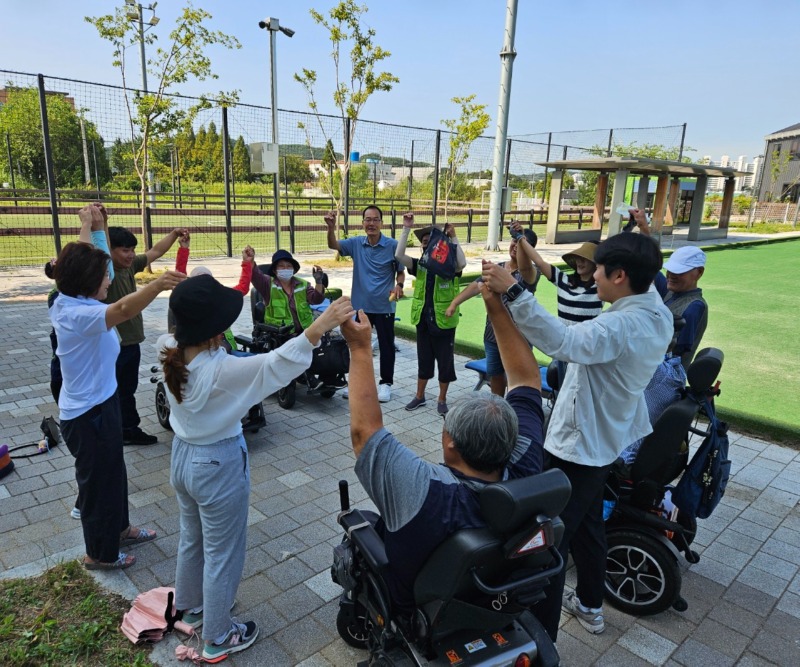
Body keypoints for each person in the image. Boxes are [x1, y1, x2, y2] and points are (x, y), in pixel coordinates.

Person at [481, 232, 673, 641]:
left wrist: (513, 290)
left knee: (548, 542)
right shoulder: (655, 309)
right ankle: (589, 605)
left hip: (580, 446)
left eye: (599, 270)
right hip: (603, 437)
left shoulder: (623, 323)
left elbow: (563, 341)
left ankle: (540, 637)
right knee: (586, 527)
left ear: (620, 275)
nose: (592, 278)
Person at [159, 275, 354, 662]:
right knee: (222, 551)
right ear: (212, 328)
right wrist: (321, 325)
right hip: (217, 464)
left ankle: (192, 606)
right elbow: (276, 364)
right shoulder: (222, 371)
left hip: (183, 458)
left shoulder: (167, 347)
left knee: (192, 537)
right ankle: (217, 635)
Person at [339, 282, 545, 612]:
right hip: (489, 595)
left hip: (417, 605)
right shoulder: (526, 463)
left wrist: (360, 349)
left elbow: (365, 433)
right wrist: (495, 307)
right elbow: (526, 380)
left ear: (449, 443)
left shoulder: (424, 489)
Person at [50, 205, 185, 571]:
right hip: (86, 416)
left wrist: (92, 226)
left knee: (114, 473)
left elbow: (82, 262)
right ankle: (100, 553)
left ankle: (121, 528)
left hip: (102, 403)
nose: (109, 278)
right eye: (103, 276)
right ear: (88, 282)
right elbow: (124, 310)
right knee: (96, 486)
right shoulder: (77, 313)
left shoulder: (75, 294)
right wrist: (157, 284)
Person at [106, 223, 188, 445]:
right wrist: (98, 224)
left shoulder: (128, 267)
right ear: (109, 249)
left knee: (126, 389)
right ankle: (126, 430)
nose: (131, 255)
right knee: (121, 390)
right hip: (117, 345)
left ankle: (123, 429)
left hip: (131, 342)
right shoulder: (107, 272)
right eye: (125, 250)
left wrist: (173, 234)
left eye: (132, 250)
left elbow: (154, 252)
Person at [445, 221, 539, 396]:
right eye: (513, 242)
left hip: (519, 337)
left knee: (517, 378)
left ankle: (514, 411)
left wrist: (520, 238)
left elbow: (526, 267)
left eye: (521, 245)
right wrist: (455, 303)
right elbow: (476, 285)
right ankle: (498, 408)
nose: (515, 247)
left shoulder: (531, 273)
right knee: (495, 375)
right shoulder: (498, 268)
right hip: (492, 335)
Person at [326, 206, 404, 402]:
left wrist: (399, 285)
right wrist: (330, 227)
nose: (371, 223)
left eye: (375, 219)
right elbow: (333, 245)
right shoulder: (355, 244)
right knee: (359, 345)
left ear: (381, 223)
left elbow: (400, 271)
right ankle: (357, 383)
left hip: (385, 306)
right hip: (360, 307)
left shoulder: (393, 245)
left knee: (386, 347)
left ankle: (385, 384)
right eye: (367, 219)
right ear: (362, 223)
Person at [395, 214, 466, 415]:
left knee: (445, 363)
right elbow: (399, 255)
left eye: (431, 242)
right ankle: (420, 396)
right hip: (423, 320)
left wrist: (453, 237)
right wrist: (406, 228)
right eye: (425, 243)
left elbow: (462, 263)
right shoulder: (420, 266)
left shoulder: (450, 266)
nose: (427, 245)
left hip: (444, 321)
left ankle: (441, 399)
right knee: (423, 360)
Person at [634, 209, 708, 370]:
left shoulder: (694, 306)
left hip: (664, 380)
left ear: (699, 272)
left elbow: (675, 352)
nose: (671, 276)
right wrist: (644, 228)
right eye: (670, 270)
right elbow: (650, 265)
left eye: (680, 272)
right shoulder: (672, 291)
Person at [515, 239, 602, 325]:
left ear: (596, 263)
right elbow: (539, 262)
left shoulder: (599, 286)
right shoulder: (563, 279)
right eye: (578, 257)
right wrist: (520, 238)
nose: (579, 261)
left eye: (585, 258)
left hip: (586, 338)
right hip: (563, 336)